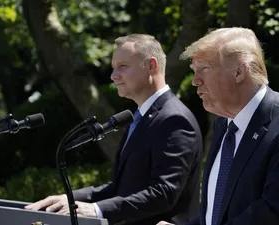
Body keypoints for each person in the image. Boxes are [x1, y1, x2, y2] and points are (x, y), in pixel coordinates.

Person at [25, 34, 203, 225]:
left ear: (151, 66)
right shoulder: (143, 116)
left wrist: (97, 210)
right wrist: (69, 199)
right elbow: (123, 189)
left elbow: (164, 193)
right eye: (113, 68)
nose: (113, 76)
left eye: (123, 67)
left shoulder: (173, 119)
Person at [158, 27, 279, 225]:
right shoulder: (224, 123)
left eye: (205, 69)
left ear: (239, 71)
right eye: (194, 71)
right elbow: (218, 214)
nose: (195, 81)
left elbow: (273, 212)